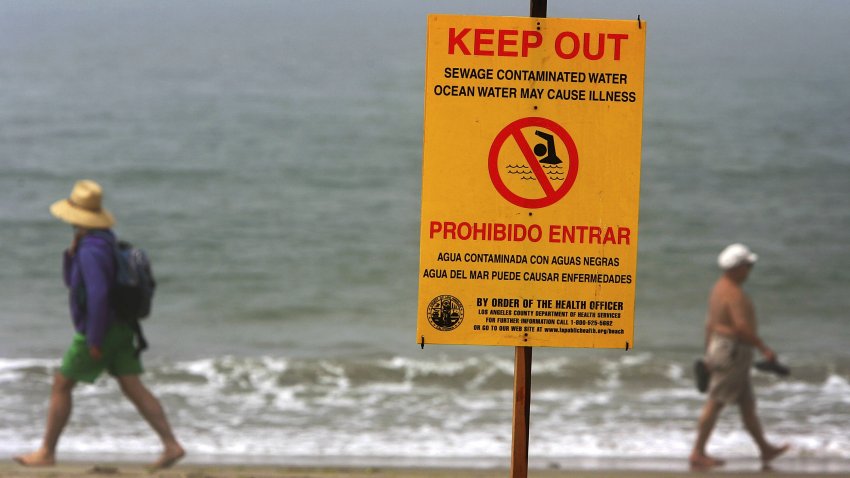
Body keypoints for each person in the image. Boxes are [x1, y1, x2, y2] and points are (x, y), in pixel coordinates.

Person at [14, 180, 185, 470]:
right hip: (122, 327)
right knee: (132, 386)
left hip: (101, 328)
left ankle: (46, 452)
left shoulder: (91, 249)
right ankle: (171, 445)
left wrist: (93, 338)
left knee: (61, 384)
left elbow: (97, 294)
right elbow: (74, 282)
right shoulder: (103, 240)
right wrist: (70, 255)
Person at [689, 243, 789, 470]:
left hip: (725, 350)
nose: (750, 270)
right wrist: (764, 348)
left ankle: (765, 449)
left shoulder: (719, 288)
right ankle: (697, 452)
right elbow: (741, 327)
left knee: (747, 405)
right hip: (732, 352)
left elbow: (710, 324)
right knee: (715, 402)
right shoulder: (733, 293)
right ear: (737, 268)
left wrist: (708, 354)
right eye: (748, 265)